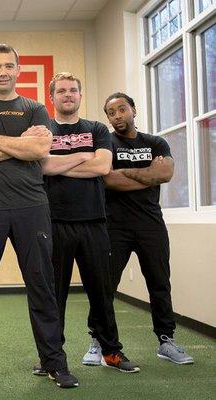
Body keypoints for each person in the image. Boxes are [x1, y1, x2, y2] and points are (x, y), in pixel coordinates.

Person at [0, 44, 78, 390]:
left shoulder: (35, 108)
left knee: (42, 288)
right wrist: (13, 143)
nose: (3, 71)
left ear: (18, 69)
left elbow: (39, 149)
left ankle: (56, 364)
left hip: (31, 208)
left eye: (9, 65)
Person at [32, 72, 139, 374]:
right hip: (53, 222)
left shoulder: (96, 128)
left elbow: (103, 166)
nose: (68, 95)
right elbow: (43, 166)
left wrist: (60, 164)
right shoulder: (42, 130)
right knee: (54, 295)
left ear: (80, 96)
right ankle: (51, 356)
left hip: (93, 222)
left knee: (101, 291)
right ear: (51, 97)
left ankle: (111, 352)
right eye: (62, 90)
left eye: (73, 90)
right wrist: (82, 157)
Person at [82, 92, 193, 365]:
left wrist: (130, 173)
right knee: (104, 287)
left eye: (122, 109)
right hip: (114, 226)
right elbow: (108, 179)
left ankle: (166, 341)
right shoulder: (106, 141)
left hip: (151, 225)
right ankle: (98, 341)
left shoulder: (156, 142)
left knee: (159, 283)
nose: (118, 115)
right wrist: (148, 174)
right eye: (111, 112)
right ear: (107, 117)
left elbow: (165, 174)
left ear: (134, 110)